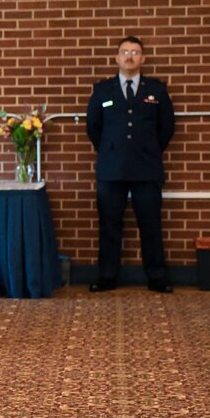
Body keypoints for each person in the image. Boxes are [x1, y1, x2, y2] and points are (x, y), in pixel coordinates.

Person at [86, 35, 175, 293]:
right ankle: (106, 277)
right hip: (111, 167)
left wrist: (148, 149)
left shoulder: (156, 90)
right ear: (117, 57)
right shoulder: (103, 89)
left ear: (142, 58)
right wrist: (110, 149)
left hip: (146, 167)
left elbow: (166, 127)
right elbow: (93, 126)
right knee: (109, 225)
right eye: (125, 52)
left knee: (150, 224)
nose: (129, 56)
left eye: (135, 52)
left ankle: (157, 278)